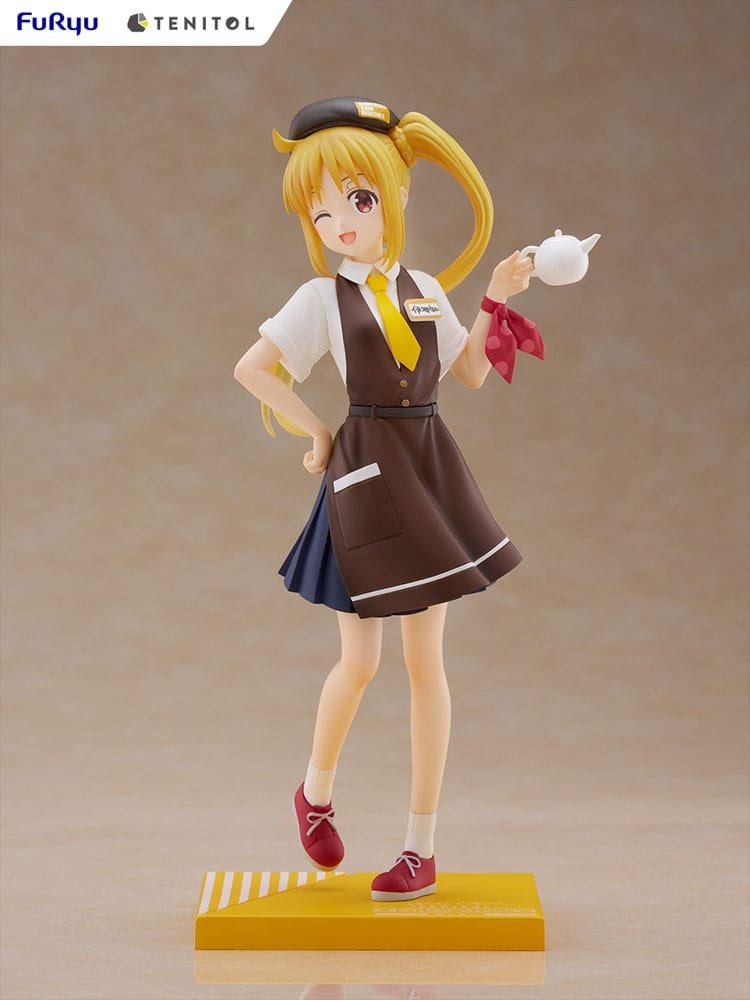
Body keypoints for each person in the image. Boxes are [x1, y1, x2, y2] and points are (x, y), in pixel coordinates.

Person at [233, 97, 539, 902]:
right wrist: (317, 432)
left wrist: (496, 297)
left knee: (426, 664)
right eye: (322, 212)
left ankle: (419, 848)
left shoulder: (426, 288)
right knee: (361, 661)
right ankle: (315, 793)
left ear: (396, 195)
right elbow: (251, 369)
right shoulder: (318, 300)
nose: (341, 223)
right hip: (367, 473)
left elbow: (468, 373)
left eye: (358, 201)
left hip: (427, 468)